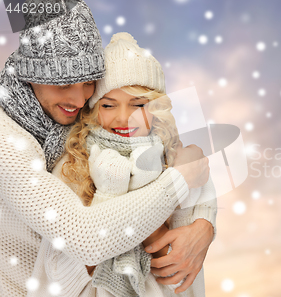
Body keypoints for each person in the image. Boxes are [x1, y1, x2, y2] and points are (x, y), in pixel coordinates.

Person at [0, 1, 216, 296]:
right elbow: (86, 237)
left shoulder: (80, 125)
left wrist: (202, 226)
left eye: (89, 83)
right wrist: (180, 179)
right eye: (63, 85)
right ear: (30, 76)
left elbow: (189, 170)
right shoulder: (7, 143)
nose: (78, 101)